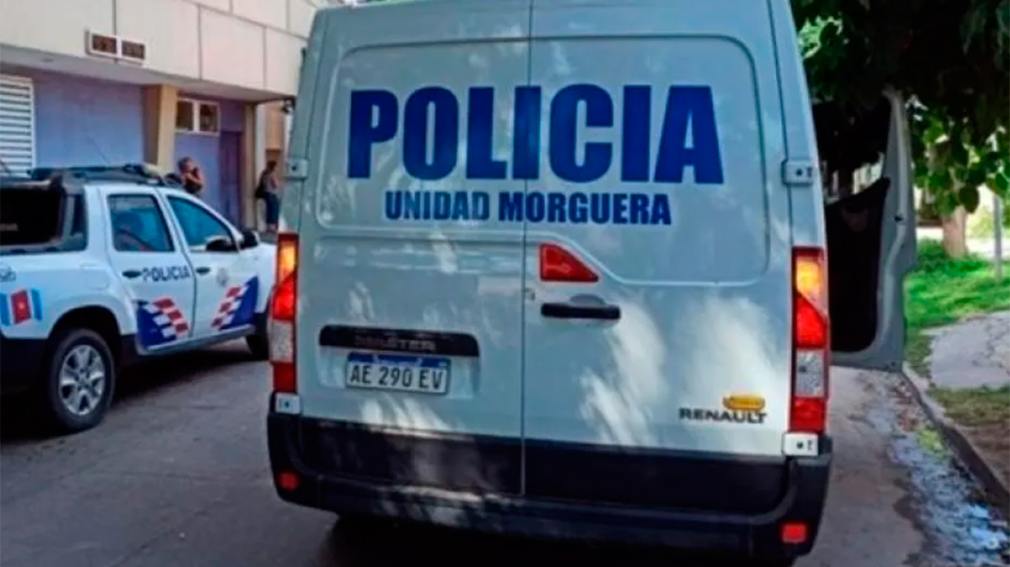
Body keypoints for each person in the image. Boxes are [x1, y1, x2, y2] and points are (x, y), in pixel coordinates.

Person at [256, 160, 280, 233]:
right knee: (274, 210)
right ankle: (272, 227)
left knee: (268, 210)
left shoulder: (264, 174)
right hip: (272, 194)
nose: (277, 168)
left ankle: (268, 226)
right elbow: (276, 185)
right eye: (276, 167)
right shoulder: (272, 174)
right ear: (274, 167)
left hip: (265, 194)